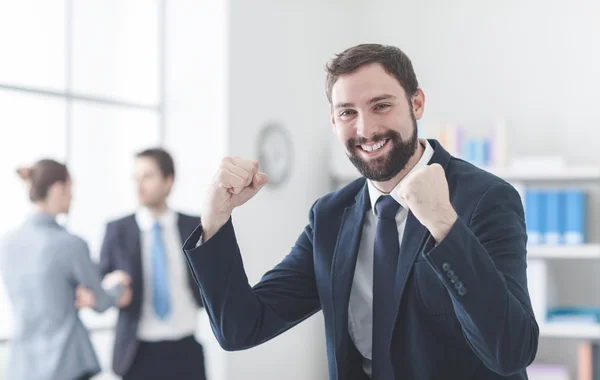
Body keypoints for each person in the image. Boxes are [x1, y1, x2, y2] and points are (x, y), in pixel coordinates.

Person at [182, 43, 540, 379]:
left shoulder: (487, 198)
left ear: (416, 104)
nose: (365, 129)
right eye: (348, 112)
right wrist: (215, 220)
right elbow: (242, 327)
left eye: (381, 105)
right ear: (334, 120)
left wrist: (445, 225)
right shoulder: (329, 216)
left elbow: (510, 351)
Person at [0, 159, 132, 380]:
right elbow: (100, 302)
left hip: (22, 368)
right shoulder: (70, 244)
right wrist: (117, 285)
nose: (73, 196)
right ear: (58, 188)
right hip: (65, 365)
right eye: (71, 189)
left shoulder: (7, 244)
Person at [99, 148, 207, 380]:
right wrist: (111, 284)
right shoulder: (117, 230)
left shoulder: (194, 226)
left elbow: (212, 278)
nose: (139, 185)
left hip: (185, 350)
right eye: (135, 178)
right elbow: (102, 283)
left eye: (147, 177)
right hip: (137, 353)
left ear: (169, 181)